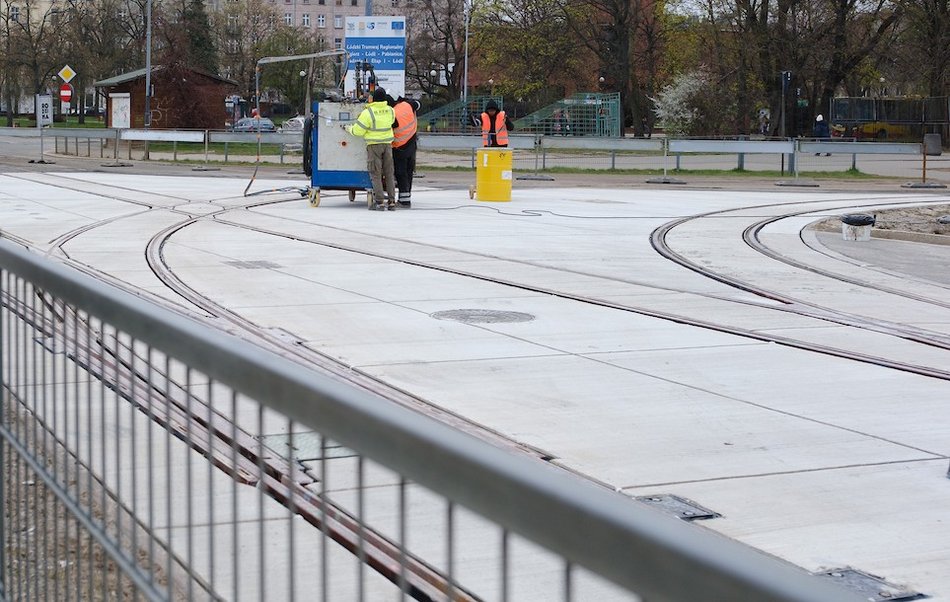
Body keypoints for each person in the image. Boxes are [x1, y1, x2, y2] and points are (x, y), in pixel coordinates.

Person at [347, 87, 397, 210]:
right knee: (389, 173)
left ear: (373, 98)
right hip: (387, 145)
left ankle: (379, 202)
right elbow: (392, 123)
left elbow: (358, 131)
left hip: (374, 145)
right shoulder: (390, 110)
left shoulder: (368, 112)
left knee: (375, 173)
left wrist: (349, 128)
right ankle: (391, 202)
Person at [388, 94, 421, 208]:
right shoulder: (407, 105)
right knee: (408, 172)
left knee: (400, 173)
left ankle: (404, 201)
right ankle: (406, 197)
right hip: (412, 143)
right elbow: (418, 104)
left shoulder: (391, 113)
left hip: (399, 147)